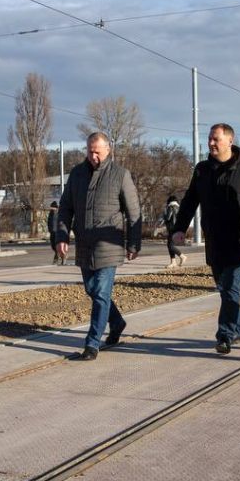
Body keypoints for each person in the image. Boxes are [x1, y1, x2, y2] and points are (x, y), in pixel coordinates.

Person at [171, 123, 240, 354]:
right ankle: (237, 329)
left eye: (216, 139)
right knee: (224, 288)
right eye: (210, 139)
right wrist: (179, 228)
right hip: (214, 238)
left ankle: (225, 335)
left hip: (239, 239)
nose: (211, 143)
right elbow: (191, 200)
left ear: (229, 141)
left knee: (231, 287)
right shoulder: (202, 169)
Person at [57, 132, 142, 361]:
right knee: (92, 290)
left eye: (97, 151)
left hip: (109, 245)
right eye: (90, 151)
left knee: (102, 293)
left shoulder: (120, 175)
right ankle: (117, 322)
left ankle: (92, 343)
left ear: (108, 150)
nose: (93, 156)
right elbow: (65, 208)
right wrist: (61, 237)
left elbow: (134, 213)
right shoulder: (77, 174)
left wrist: (133, 243)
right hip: (84, 244)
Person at [163, 196, 186, 267]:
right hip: (177, 228)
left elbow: (168, 217)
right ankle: (173, 262)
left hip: (172, 228)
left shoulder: (171, 207)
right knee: (170, 245)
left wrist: (164, 215)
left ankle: (182, 256)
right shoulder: (179, 207)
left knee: (170, 246)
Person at [47, 201, 65, 265]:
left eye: (52, 207)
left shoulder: (59, 214)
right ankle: (58, 256)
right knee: (53, 246)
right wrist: (49, 229)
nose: (51, 209)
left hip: (58, 232)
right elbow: (48, 222)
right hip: (52, 232)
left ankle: (61, 258)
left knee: (58, 247)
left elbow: (62, 222)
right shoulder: (50, 214)